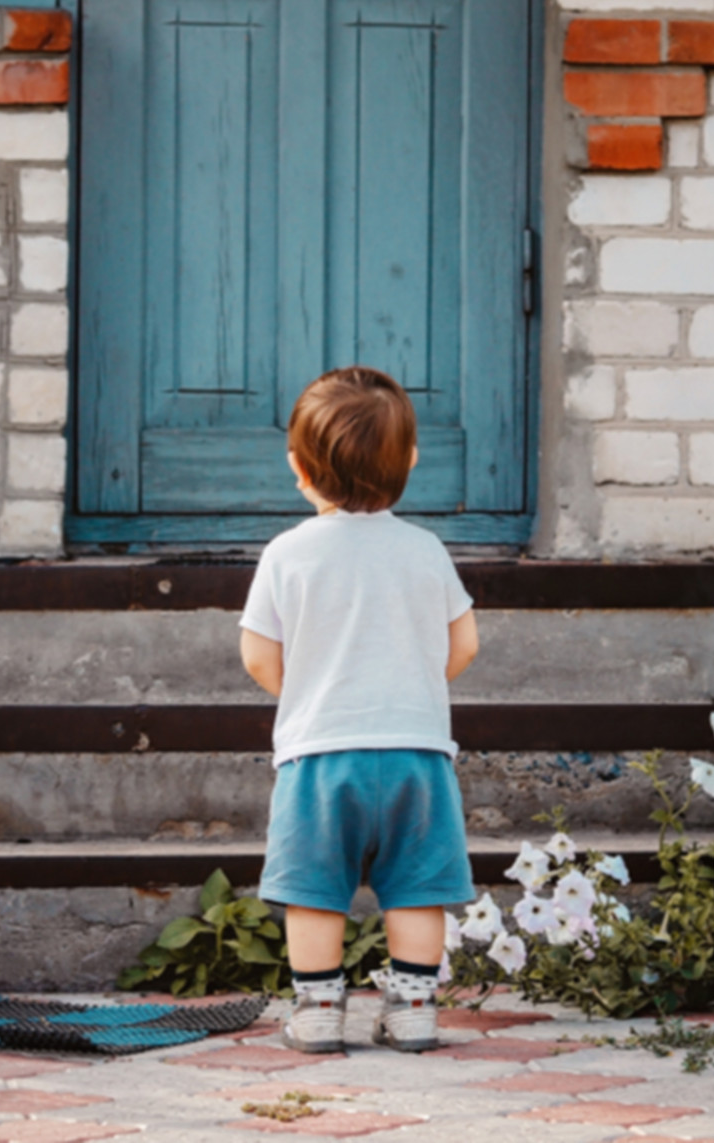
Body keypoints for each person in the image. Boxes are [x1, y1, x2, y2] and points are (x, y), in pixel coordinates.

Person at [239, 366, 480, 1054]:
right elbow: (463, 642)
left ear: (298, 468)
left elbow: (259, 657)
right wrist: (409, 680)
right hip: (416, 754)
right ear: (409, 460)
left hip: (321, 754)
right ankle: (412, 1011)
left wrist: (313, 688)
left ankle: (317, 1013)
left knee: (315, 892)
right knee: (416, 889)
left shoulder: (287, 554)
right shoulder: (425, 550)